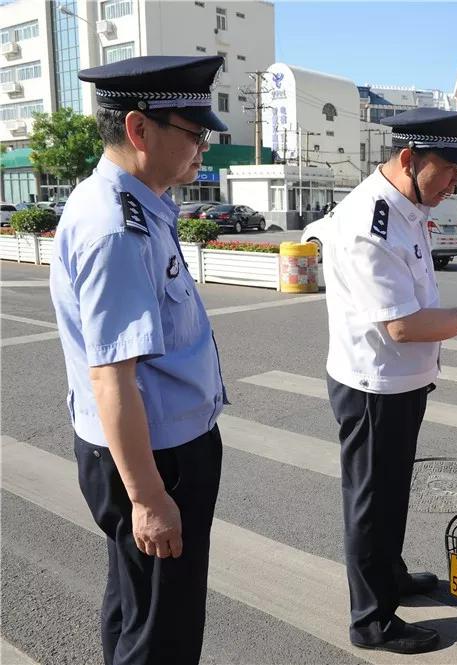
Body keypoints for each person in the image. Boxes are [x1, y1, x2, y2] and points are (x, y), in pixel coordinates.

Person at [322, 107, 457, 655]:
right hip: (374, 387)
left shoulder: (406, 208)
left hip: (402, 384)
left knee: (392, 492)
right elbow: (403, 326)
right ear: (409, 159)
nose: (455, 181)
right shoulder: (368, 222)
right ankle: (371, 618)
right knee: (372, 502)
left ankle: (389, 576)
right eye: (447, 168)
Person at [49, 55, 229, 665]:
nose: (202, 147)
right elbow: (111, 376)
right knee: (163, 633)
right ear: (138, 129)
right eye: (193, 133)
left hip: (152, 449)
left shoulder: (136, 204)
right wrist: (149, 498)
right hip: (155, 458)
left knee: (136, 609)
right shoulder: (116, 228)